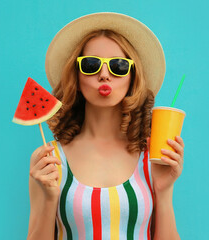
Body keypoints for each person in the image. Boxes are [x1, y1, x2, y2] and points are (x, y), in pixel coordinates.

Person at [27, 12, 185, 240]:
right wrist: (50, 198)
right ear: (77, 76)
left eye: (118, 66)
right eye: (91, 65)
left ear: (132, 76)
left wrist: (164, 189)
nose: (104, 75)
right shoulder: (50, 159)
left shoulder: (153, 156)